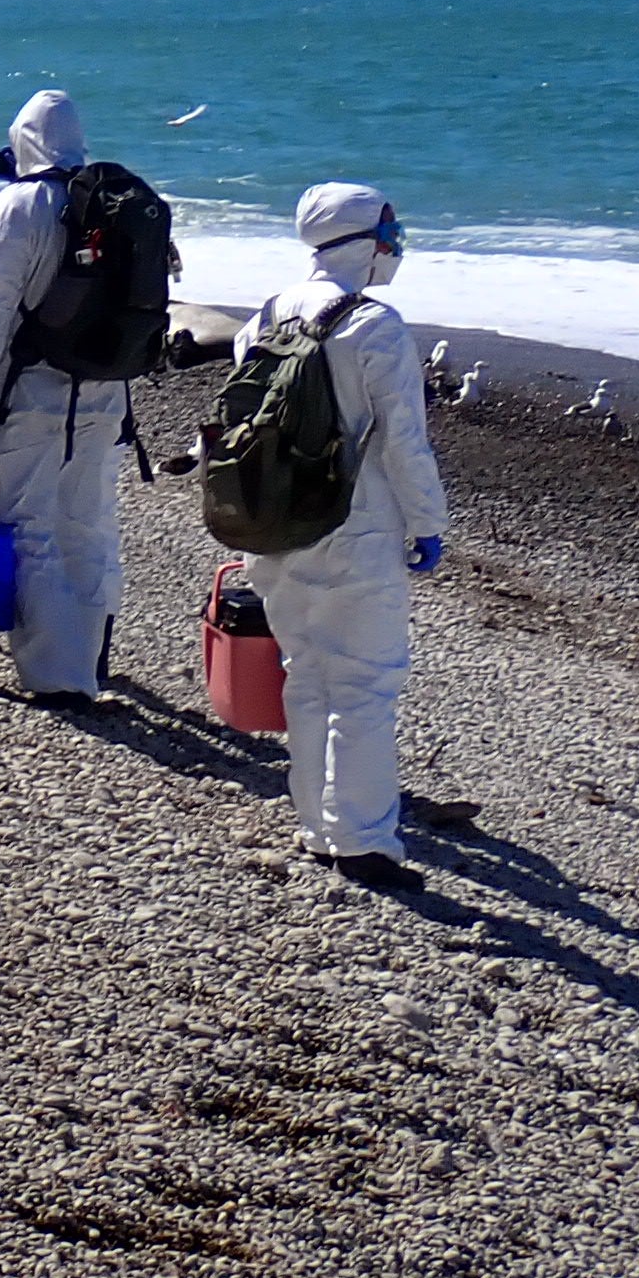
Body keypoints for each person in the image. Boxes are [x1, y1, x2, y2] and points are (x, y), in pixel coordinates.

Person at [239, 182, 451, 886]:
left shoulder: (267, 312)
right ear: (367, 240)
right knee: (364, 683)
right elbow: (404, 443)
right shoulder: (375, 325)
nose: (396, 244)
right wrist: (427, 525)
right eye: (390, 230)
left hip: (275, 523)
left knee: (306, 673)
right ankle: (360, 839)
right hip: (356, 528)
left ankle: (317, 824)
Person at [0, 88, 131, 701]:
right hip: (103, 393)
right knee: (89, 526)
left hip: (30, 394)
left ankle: (59, 677)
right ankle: (92, 655)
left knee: (28, 527)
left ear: (23, 139)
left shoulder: (20, 205)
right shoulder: (117, 201)